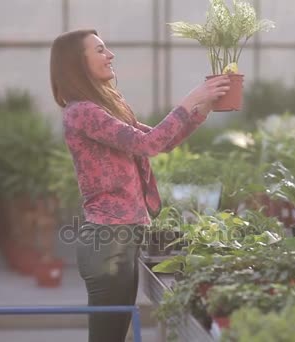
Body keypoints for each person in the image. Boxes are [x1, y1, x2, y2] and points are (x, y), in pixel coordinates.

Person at [49, 29, 230, 342]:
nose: (111, 55)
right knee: (108, 337)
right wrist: (192, 98)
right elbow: (149, 144)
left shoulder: (100, 110)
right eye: (101, 50)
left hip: (118, 240)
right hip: (108, 242)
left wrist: (203, 109)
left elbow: (162, 141)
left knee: (115, 335)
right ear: (77, 63)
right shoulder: (83, 112)